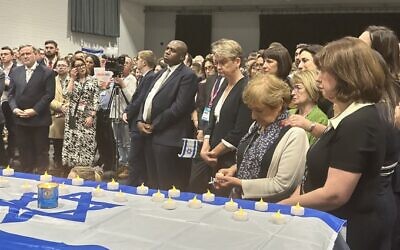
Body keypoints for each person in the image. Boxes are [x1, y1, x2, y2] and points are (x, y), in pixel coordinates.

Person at [280, 37, 395, 250]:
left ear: (346, 76)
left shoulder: (359, 122)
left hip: (352, 229)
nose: (317, 79)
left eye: (324, 71)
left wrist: (282, 207)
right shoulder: (352, 116)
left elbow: (335, 193)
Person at [214, 74, 308, 201]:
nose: (253, 116)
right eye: (251, 110)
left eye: (259, 110)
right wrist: (234, 169)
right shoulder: (256, 126)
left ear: (279, 105)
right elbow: (256, 158)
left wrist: (240, 183)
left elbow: (283, 185)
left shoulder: (295, 135)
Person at [137, 40, 198, 190]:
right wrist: (140, 120)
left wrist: (155, 124)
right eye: (167, 48)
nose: (168, 51)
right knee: (152, 182)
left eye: (173, 50)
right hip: (150, 134)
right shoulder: (162, 73)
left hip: (169, 137)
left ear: (183, 56)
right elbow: (147, 99)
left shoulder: (188, 75)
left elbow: (179, 107)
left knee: (167, 185)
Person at [199, 39, 253, 196]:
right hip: (212, 153)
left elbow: (240, 130)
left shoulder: (246, 88)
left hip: (229, 158)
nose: (218, 67)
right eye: (216, 63)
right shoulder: (222, 84)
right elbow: (212, 117)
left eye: (223, 62)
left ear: (237, 61)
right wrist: (205, 146)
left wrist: (213, 153)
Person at [8, 45, 55, 173]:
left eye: (28, 53)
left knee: (40, 151)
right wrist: (14, 109)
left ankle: (41, 178)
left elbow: (49, 95)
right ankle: (26, 177)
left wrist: (34, 110)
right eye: (22, 54)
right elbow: (10, 94)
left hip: (39, 119)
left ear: (35, 54)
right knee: (24, 151)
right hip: (20, 118)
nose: (25, 56)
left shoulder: (47, 72)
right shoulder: (16, 71)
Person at [123, 50, 157, 186]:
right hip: (136, 121)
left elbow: (140, 100)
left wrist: (128, 112)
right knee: (137, 158)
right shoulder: (145, 77)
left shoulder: (149, 77)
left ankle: (133, 184)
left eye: (138, 59)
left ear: (144, 62)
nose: (136, 61)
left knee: (135, 158)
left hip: (139, 122)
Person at [62, 58, 99, 169]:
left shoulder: (93, 80)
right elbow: (66, 95)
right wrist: (73, 79)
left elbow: (96, 100)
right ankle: (71, 167)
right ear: (73, 69)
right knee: (72, 140)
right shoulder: (70, 80)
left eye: (82, 65)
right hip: (73, 115)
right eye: (77, 66)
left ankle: (85, 167)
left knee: (86, 140)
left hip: (88, 115)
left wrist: (92, 116)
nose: (81, 67)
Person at [283, 70, 328, 145]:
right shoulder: (288, 113)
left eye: (298, 88)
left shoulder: (320, 118)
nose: (292, 93)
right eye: (293, 88)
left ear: (311, 89)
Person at [49, 58, 69, 171]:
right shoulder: (51, 81)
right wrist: (60, 107)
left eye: (63, 65)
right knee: (57, 145)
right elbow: (48, 98)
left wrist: (67, 108)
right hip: (56, 115)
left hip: (70, 116)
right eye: (59, 65)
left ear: (68, 68)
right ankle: (57, 164)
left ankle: (68, 166)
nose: (61, 67)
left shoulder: (74, 81)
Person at [0, 46, 18, 163]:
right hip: (1, 102)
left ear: (12, 56)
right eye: (1, 54)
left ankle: (11, 153)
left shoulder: (17, 69)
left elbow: (15, 85)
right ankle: (4, 154)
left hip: (10, 102)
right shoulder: (0, 68)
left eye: (5, 54)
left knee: (12, 129)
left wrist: (5, 82)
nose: (3, 56)